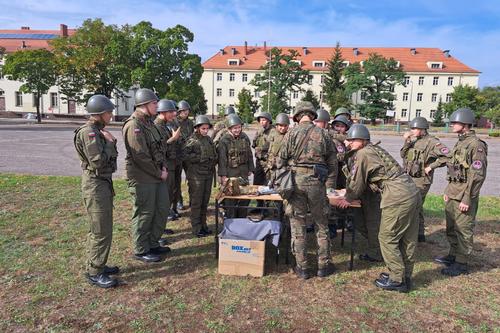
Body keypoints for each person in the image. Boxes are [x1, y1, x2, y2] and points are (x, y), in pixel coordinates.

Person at [337, 124, 420, 292]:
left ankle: (397, 279)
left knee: (387, 237)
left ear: (362, 140)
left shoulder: (363, 153)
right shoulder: (375, 149)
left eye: (352, 140)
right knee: (408, 237)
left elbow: (357, 181)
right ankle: (405, 275)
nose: (349, 143)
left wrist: (348, 197)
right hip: (410, 190)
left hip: (396, 195)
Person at [278, 101, 337, 279]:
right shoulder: (324, 134)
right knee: (321, 224)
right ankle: (323, 266)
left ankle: (302, 268)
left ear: (297, 116)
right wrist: (329, 187)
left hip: (295, 183)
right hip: (317, 184)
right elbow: (333, 163)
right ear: (313, 115)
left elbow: (280, 160)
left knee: (298, 225)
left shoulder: (291, 133)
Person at [435, 108, 487, 276]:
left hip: (464, 195)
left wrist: (467, 199)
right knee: (452, 226)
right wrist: (448, 191)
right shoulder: (461, 142)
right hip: (454, 192)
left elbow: (477, 175)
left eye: (455, 123)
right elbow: (455, 168)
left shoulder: (476, 145)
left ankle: (462, 263)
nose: (452, 125)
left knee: (463, 229)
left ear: (465, 124)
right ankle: (453, 255)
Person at [74, 94, 119, 288]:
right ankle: (95, 271)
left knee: (104, 227)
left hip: (102, 182)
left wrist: (109, 143)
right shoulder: (89, 132)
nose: (111, 115)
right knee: (100, 229)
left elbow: (110, 162)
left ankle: (99, 263)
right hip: (95, 184)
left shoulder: (98, 130)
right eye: (109, 112)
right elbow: (98, 161)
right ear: (99, 113)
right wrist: (110, 143)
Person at [123, 88, 170, 263]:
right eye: (154, 103)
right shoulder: (134, 125)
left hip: (157, 175)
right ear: (144, 104)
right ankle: (141, 249)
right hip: (143, 177)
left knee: (162, 208)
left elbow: (160, 148)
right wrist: (159, 172)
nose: (157, 106)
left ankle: (152, 242)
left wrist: (163, 167)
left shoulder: (149, 123)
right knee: (144, 212)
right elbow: (140, 156)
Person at [401, 117, 449, 242]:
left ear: (423, 129)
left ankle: (412, 235)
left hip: (422, 180)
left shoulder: (432, 142)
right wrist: (407, 141)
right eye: (411, 128)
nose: (412, 131)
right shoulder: (413, 140)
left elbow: (448, 156)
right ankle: (419, 235)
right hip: (410, 177)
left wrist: (431, 166)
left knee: (414, 206)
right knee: (417, 206)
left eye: (414, 128)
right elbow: (403, 155)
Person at [184, 115, 217, 237]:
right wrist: (199, 158)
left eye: (207, 128)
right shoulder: (192, 140)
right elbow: (184, 155)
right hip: (196, 176)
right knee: (196, 202)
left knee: (205, 202)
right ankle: (196, 228)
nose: (205, 130)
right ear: (197, 128)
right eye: (203, 128)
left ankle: (203, 225)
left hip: (207, 175)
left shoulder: (208, 139)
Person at [217, 114, 255, 218]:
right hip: (230, 172)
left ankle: (241, 218)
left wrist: (251, 168)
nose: (237, 130)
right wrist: (223, 175)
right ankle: (231, 220)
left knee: (245, 196)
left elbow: (249, 154)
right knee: (230, 198)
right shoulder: (224, 140)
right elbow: (222, 159)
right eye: (234, 128)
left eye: (239, 127)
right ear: (229, 129)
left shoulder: (244, 137)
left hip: (243, 171)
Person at [154, 99, 181, 236]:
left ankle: (161, 227)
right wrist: (173, 139)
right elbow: (159, 147)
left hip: (170, 164)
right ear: (163, 112)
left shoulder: (165, 125)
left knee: (168, 197)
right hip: (164, 166)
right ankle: (158, 230)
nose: (174, 114)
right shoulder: (157, 126)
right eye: (171, 111)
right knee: (163, 200)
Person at [174, 100, 194, 211]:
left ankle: (192, 200)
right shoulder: (174, 122)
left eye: (187, 110)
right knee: (177, 180)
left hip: (188, 154)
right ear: (179, 111)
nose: (186, 113)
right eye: (183, 111)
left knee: (191, 178)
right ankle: (178, 201)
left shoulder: (190, 123)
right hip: (178, 154)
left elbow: (192, 135)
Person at [266, 113, 290, 182]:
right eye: (281, 125)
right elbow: (266, 150)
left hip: (283, 168)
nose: (283, 128)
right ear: (276, 125)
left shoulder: (289, 136)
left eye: (285, 126)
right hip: (271, 167)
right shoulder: (272, 134)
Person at [252, 111, 274, 186]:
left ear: (269, 121)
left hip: (269, 162)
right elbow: (254, 144)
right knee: (257, 184)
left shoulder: (273, 131)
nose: (261, 122)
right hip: (259, 162)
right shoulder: (259, 131)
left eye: (264, 120)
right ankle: (258, 198)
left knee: (268, 184)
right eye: (260, 120)